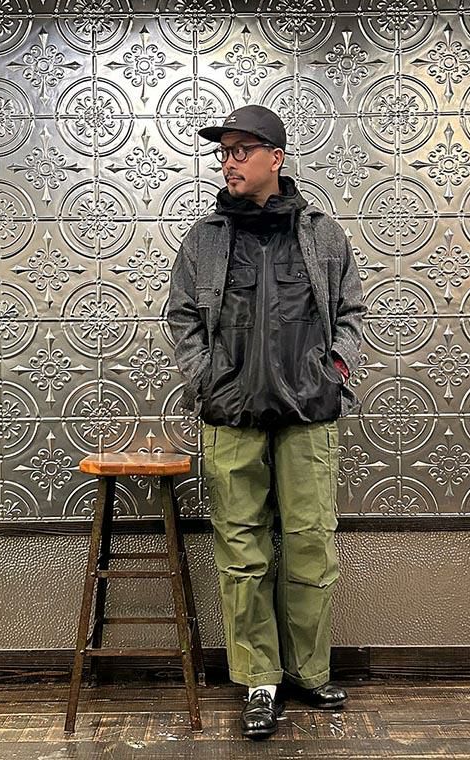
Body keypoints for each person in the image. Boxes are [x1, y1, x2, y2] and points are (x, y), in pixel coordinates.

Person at [167, 104, 366, 740]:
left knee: (311, 543)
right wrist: (206, 381)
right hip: (232, 415)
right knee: (241, 548)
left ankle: (308, 670)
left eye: (241, 151)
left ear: (274, 158)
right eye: (223, 152)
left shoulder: (323, 234)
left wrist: (335, 371)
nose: (228, 162)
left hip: (309, 412)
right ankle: (259, 679)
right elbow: (182, 317)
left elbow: (351, 311)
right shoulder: (203, 239)